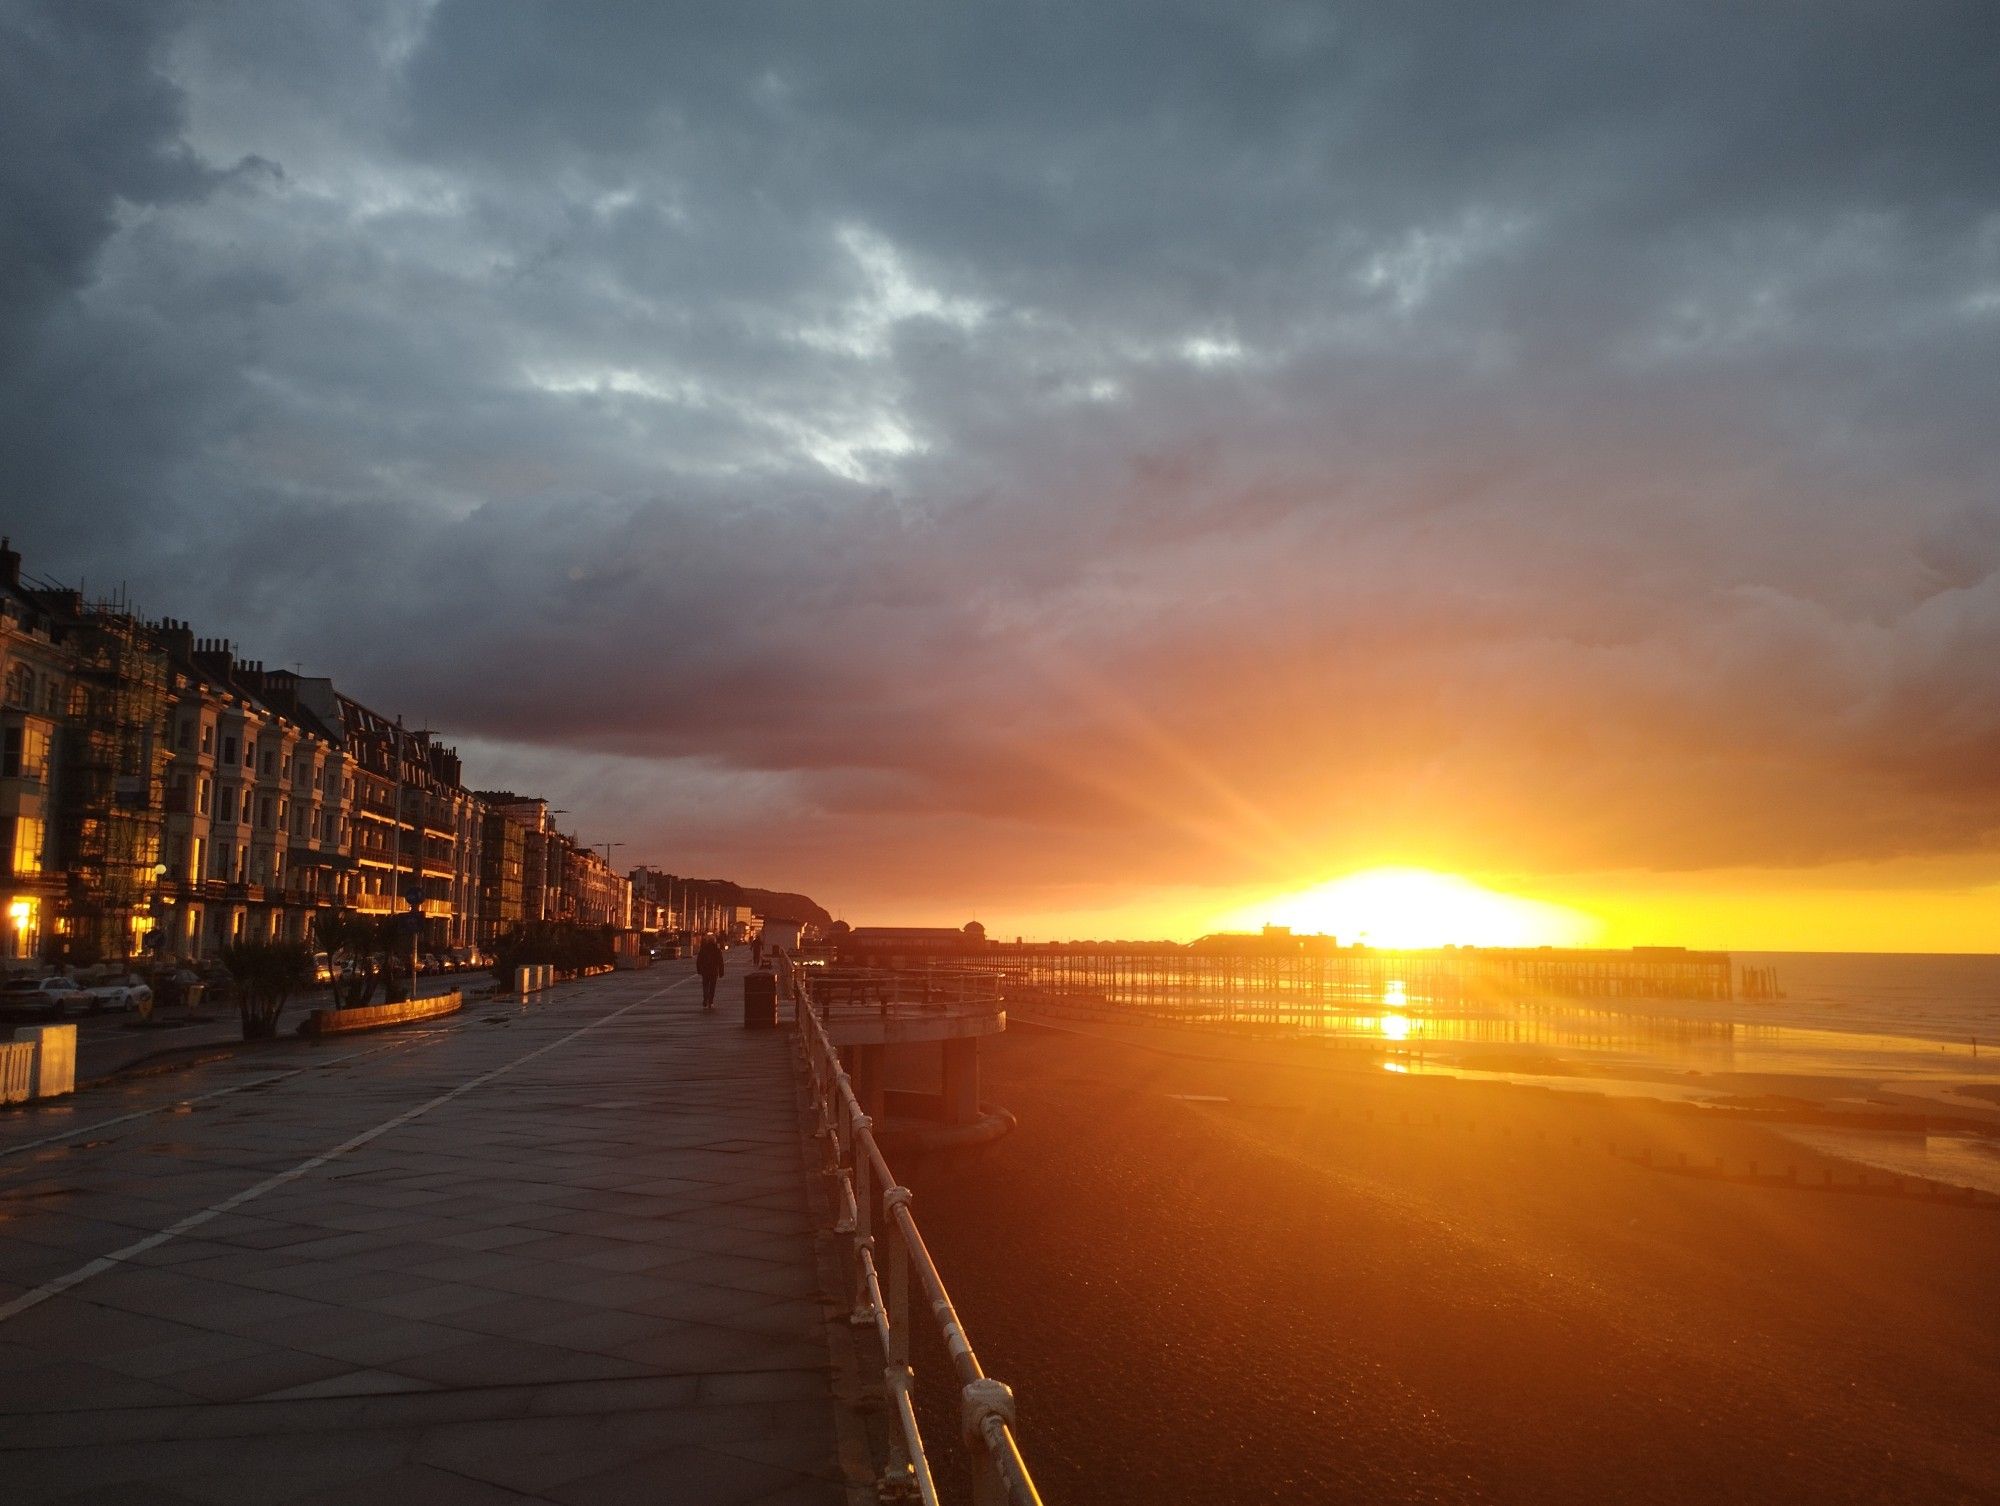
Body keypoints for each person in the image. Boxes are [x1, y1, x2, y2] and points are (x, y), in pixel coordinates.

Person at [695, 934, 725, 1011]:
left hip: (705, 971)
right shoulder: (717, 950)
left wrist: (699, 970)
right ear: (714, 941)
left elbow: (699, 961)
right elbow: (720, 962)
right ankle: (711, 1001)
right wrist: (721, 972)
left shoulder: (703, 949)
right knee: (712, 986)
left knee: (705, 985)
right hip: (714, 971)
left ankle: (705, 998)